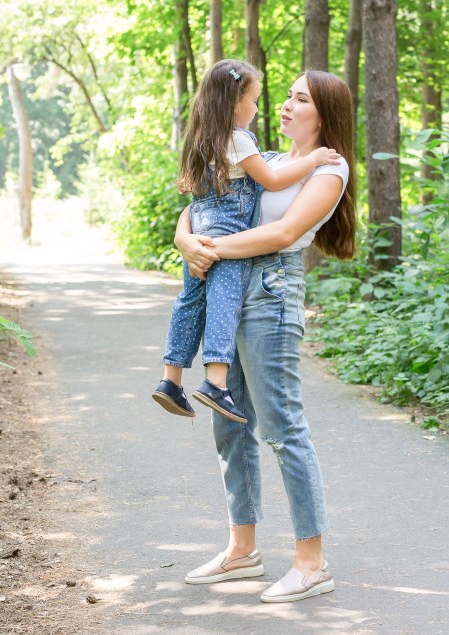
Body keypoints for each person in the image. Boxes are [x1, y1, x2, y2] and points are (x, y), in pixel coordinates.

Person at [174, 70, 357, 603]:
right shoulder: (269, 159)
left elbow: (282, 233)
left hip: (272, 295)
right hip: (230, 291)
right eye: (288, 96)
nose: (286, 105)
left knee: (281, 427)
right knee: (229, 422)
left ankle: (311, 561)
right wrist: (187, 240)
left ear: (324, 114)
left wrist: (209, 250)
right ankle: (243, 551)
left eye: (301, 99)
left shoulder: (331, 168)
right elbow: (198, 207)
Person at [152, 59, 340, 423]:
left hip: (202, 225)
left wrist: (190, 240)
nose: (262, 108)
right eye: (254, 101)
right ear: (235, 102)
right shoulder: (239, 139)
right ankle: (215, 382)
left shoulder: (203, 136)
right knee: (223, 299)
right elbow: (271, 180)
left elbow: (196, 198)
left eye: (298, 99)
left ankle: (170, 379)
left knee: (189, 302)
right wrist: (314, 158)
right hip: (224, 231)